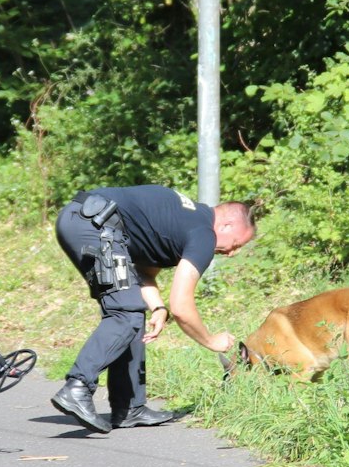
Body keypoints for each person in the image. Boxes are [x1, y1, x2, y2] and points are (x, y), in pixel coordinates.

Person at [49, 185, 255, 432]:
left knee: (133, 312)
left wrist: (158, 307)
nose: (232, 253)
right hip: (95, 225)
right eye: (236, 244)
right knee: (125, 314)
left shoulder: (183, 219)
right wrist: (211, 340)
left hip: (84, 219)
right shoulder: (204, 234)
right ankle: (78, 387)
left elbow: (144, 272)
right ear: (227, 226)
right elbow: (181, 305)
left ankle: (129, 408)